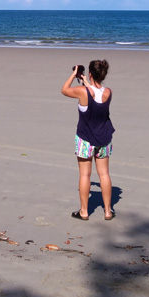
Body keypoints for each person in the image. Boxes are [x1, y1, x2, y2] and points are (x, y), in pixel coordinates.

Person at [60, 59, 115, 220]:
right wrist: (86, 82)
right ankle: (107, 211)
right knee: (104, 174)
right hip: (104, 137)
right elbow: (95, 95)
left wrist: (73, 74)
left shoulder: (83, 92)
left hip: (85, 138)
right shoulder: (108, 92)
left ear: (90, 73)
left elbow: (64, 90)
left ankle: (84, 211)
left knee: (85, 175)